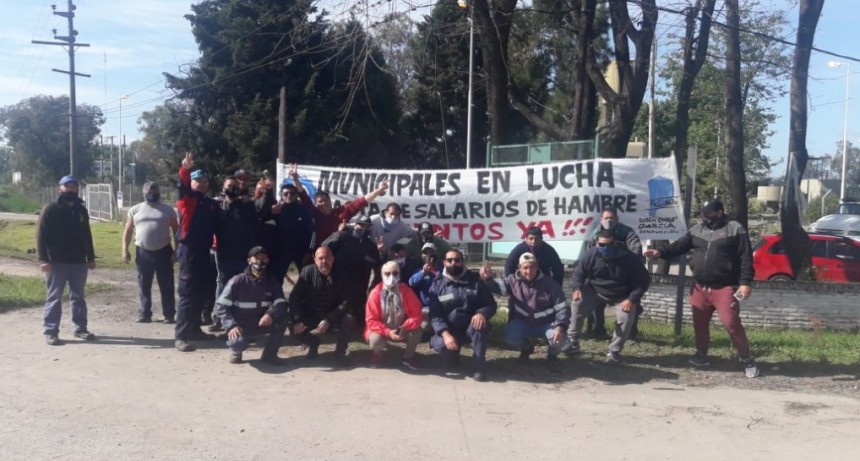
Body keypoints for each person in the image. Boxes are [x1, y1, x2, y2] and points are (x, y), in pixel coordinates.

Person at [644, 199, 760, 378]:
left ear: (720, 213)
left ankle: (746, 359)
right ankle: (701, 355)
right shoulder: (697, 230)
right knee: (700, 324)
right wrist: (661, 253)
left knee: (731, 323)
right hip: (699, 287)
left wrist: (745, 282)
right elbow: (680, 246)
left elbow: (746, 257)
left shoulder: (735, 229)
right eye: (703, 214)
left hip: (725, 287)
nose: (705, 218)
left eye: (709, 214)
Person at [564, 230, 651, 364]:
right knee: (577, 304)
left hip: (622, 295)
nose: (606, 248)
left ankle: (614, 351)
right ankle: (572, 342)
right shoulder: (591, 254)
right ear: (596, 244)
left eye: (609, 244)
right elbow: (579, 273)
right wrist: (577, 288)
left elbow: (644, 280)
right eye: (602, 245)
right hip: (595, 290)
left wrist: (632, 299)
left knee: (626, 318)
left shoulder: (629, 258)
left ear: (614, 243)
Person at [480, 253, 569, 372]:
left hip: (547, 324)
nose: (529, 271)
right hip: (523, 322)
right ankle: (526, 348)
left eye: (532, 267)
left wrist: (560, 327)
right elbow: (497, 287)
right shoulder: (512, 280)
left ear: (537, 266)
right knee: (509, 336)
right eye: (525, 267)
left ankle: (552, 356)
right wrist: (487, 279)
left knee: (560, 338)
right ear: (519, 268)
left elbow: (563, 308)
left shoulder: (550, 284)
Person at [37, 175, 97, 345]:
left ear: (77, 189)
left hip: (78, 262)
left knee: (78, 297)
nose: (71, 189)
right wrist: (43, 259)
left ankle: (80, 329)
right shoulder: (50, 209)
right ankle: (51, 331)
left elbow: (87, 235)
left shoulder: (81, 210)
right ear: (60, 189)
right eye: (67, 186)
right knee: (54, 297)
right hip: (56, 262)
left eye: (73, 186)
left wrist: (90, 257)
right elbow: (41, 236)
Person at [428, 250, 497, 382]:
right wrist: (445, 334)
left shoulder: (475, 281)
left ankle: (478, 367)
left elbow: (491, 304)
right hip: (448, 329)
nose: (453, 263)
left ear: (462, 262)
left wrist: (481, 313)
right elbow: (435, 314)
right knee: (445, 351)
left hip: (470, 327)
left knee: (480, 326)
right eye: (449, 260)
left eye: (457, 260)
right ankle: (453, 354)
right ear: (444, 263)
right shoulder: (437, 285)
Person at [174, 152, 220, 352]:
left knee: (200, 292)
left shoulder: (210, 203)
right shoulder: (187, 200)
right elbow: (182, 186)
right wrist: (185, 169)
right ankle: (181, 335)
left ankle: (194, 329)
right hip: (189, 250)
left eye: (204, 181)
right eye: (197, 180)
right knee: (187, 293)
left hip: (204, 251)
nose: (201, 183)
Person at [214, 246, 288, 364]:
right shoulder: (237, 281)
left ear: (268, 260)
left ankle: (269, 355)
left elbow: (281, 303)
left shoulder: (272, 282)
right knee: (237, 344)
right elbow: (221, 306)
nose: (260, 262)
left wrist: (271, 314)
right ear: (249, 260)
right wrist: (231, 325)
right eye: (256, 258)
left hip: (262, 323)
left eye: (263, 258)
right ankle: (236, 352)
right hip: (241, 325)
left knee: (283, 319)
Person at [289, 164, 389, 246]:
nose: (324, 203)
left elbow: (362, 201)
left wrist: (379, 190)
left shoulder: (342, 212)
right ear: (315, 204)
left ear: (330, 201)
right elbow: (303, 195)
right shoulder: (314, 213)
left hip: (339, 253)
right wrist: (295, 179)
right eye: (320, 201)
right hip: (320, 253)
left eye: (325, 200)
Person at [122, 181, 179, 323]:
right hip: (143, 252)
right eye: (149, 191)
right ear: (144, 193)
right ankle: (144, 313)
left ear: (159, 193)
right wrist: (125, 249)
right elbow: (128, 231)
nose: (152, 193)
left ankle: (169, 314)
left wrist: (177, 251)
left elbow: (176, 231)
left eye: (155, 191)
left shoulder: (168, 210)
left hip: (164, 251)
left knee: (167, 285)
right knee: (143, 284)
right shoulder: (135, 210)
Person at [288, 246, 355, 367]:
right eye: (321, 258)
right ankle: (313, 343)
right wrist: (297, 319)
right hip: (311, 314)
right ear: (315, 260)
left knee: (349, 319)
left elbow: (347, 301)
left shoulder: (342, 274)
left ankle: (340, 353)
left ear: (332, 259)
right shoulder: (307, 272)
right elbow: (294, 297)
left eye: (327, 258)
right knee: (292, 327)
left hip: (332, 316)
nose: (324, 261)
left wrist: (329, 319)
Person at [586, 207, 644, 340]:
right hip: (602, 276)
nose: (608, 221)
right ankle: (598, 331)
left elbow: (636, 249)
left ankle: (629, 334)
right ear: (601, 220)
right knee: (596, 304)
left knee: (631, 304)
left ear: (617, 219)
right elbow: (589, 256)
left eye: (611, 218)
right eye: (606, 218)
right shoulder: (595, 234)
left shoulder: (627, 231)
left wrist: (625, 262)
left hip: (623, 276)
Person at [321, 214, 383, 327]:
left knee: (358, 304)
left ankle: (359, 325)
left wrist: (380, 252)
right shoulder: (344, 236)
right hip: (339, 276)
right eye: (361, 225)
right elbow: (325, 246)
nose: (363, 228)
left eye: (366, 226)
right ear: (355, 225)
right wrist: (338, 232)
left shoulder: (370, 244)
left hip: (360, 279)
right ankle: (329, 324)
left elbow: (377, 263)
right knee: (336, 301)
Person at [365, 261, 424, 369]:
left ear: (399, 274)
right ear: (382, 275)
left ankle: (408, 357)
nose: (391, 276)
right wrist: (388, 332)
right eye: (387, 274)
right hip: (382, 329)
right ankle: (377, 354)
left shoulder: (406, 291)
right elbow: (371, 320)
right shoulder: (375, 292)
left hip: (402, 327)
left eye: (395, 273)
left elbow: (417, 314)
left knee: (417, 330)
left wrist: (405, 326)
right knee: (375, 341)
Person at [271, 183, 314, 282]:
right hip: (282, 251)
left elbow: (312, 232)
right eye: (286, 194)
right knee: (276, 279)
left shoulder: (304, 210)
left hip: (301, 252)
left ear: (296, 195)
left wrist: (309, 252)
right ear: (281, 195)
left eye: (292, 193)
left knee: (307, 280)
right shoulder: (277, 210)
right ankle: (277, 297)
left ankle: (307, 298)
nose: (289, 196)